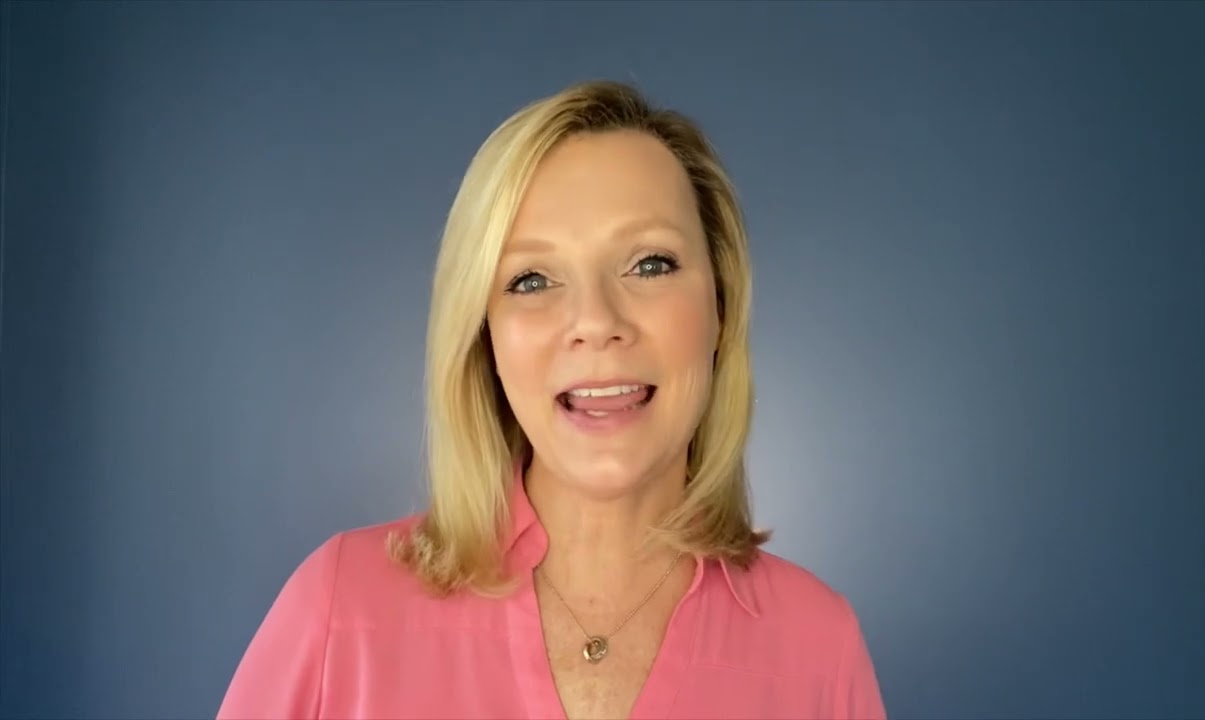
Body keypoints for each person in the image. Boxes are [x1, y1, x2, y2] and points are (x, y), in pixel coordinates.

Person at [217, 79, 886, 720]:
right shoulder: (338, 610)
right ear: (483, 333)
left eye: (650, 264)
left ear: (721, 305)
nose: (596, 321)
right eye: (532, 279)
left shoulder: (820, 649)